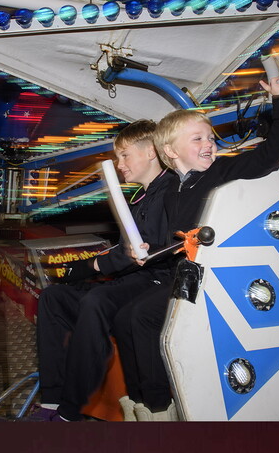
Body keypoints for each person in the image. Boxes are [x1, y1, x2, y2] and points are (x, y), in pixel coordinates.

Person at [112, 76, 279, 421]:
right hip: (188, 274)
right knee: (123, 317)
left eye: (210, 138)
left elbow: (273, 151)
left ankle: (158, 409)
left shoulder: (223, 171)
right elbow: (170, 241)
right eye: (197, 138)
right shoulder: (172, 190)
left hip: (218, 276)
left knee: (141, 316)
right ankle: (139, 402)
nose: (209, 144)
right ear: (170, 151)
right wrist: (144, 251)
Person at [26, 119, 177, 422]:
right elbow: (123, 248)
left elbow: (144, 250)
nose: (120, 164)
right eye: (117, 158)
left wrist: (88, 267)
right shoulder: (141, 196)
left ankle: (70, 412)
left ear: (150, 151)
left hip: (156, 281)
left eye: (124, 155)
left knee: (95, 302)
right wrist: (83, 268)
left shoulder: (171, 191)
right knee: (53, 298)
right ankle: (53, 400)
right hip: (133, 278)